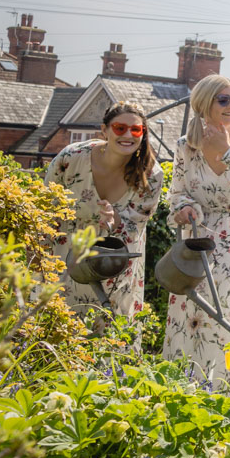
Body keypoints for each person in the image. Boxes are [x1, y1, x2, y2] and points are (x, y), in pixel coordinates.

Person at [163, 76, 230, 379]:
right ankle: (183, 386)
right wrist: (184, 208)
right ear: (204, 102)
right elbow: (177, 193)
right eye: (223, 100)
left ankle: (226, 388)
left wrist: (227, 151)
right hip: (197, 238)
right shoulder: (185, 145)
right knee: (193, 311)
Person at [46, 101, 163, 324]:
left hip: (114, 258)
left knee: (108, 327)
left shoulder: (151, 174)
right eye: (120, 128)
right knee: (58, 322)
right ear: (104, 130)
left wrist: (114, 220)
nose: (128, 134)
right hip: (64, 252)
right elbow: (45, 203)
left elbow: (135, 225)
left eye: (136, 129)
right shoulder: (71, 158)